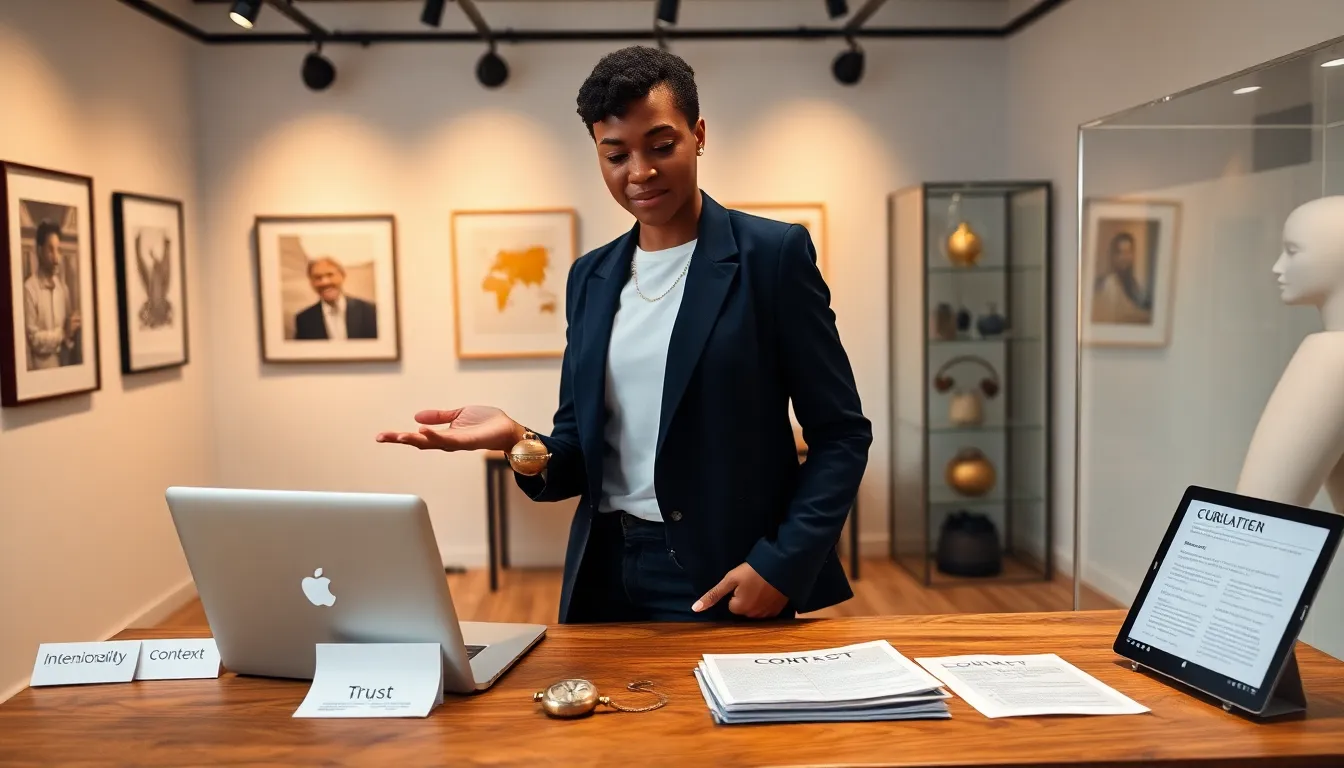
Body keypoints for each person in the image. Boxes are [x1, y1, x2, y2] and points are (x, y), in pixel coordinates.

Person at [377, 45, 871, 624]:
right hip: (605, 574)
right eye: (616, 154)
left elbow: (841, 434)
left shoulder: (772, 256)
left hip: (725, 576)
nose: (639, 172)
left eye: (660, 146)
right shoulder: (590, 277)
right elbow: (577, 449)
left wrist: (783, 565)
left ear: (698, 135)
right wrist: (515, 438)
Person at [23, 220, 80, 370]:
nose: (56, 259)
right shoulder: (29, 289)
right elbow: (33, 339)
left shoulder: (63, 289)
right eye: (50, 250)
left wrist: (72, 330)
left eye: (58, 250)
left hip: (65, 370)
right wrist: (63, 334)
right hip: (41, 373)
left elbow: (68, 337)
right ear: (39, 251)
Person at [293, 256, 378, 340]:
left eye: (330, 275)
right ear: (311, 283)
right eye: (318, 277)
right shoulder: (304, 320)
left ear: (342, 276)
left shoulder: (369, 311)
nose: (325, 282)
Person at [1091, 231, 1152, 325]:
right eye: (1120, 253)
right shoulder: (1109, 284)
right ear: (1114, 256)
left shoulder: (1134, 283)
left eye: (1128, 252)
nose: (1124, 257)